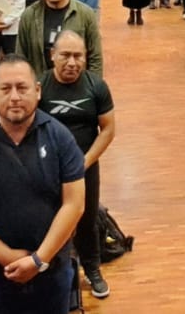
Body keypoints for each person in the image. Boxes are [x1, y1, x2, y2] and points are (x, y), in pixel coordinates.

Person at [0, 55, 86, 314]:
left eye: (22, 88)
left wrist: (38, 259)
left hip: (51, 271)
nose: (14, 97)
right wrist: (7, 256)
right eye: (5, 88)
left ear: (37, 91)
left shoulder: (61, 138)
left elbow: (74, 204)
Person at [39, 31, 117, 299]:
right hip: (48, 169)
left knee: (87, 219)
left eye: (78, 56)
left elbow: (108, 130)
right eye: (65, 55)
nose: (72, 62)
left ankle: (92, 269)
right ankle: (49, 268)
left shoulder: (96, 87)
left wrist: (85, 161)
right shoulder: (40, 86)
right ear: (53, 55)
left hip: (85, 167)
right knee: (49, 218)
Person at [17, 0, 103, 77]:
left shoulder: (85, 14)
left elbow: (95, 57)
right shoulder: (29, 15)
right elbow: (21, 56)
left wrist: (93, 85)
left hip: (76, 82)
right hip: (40, 82)